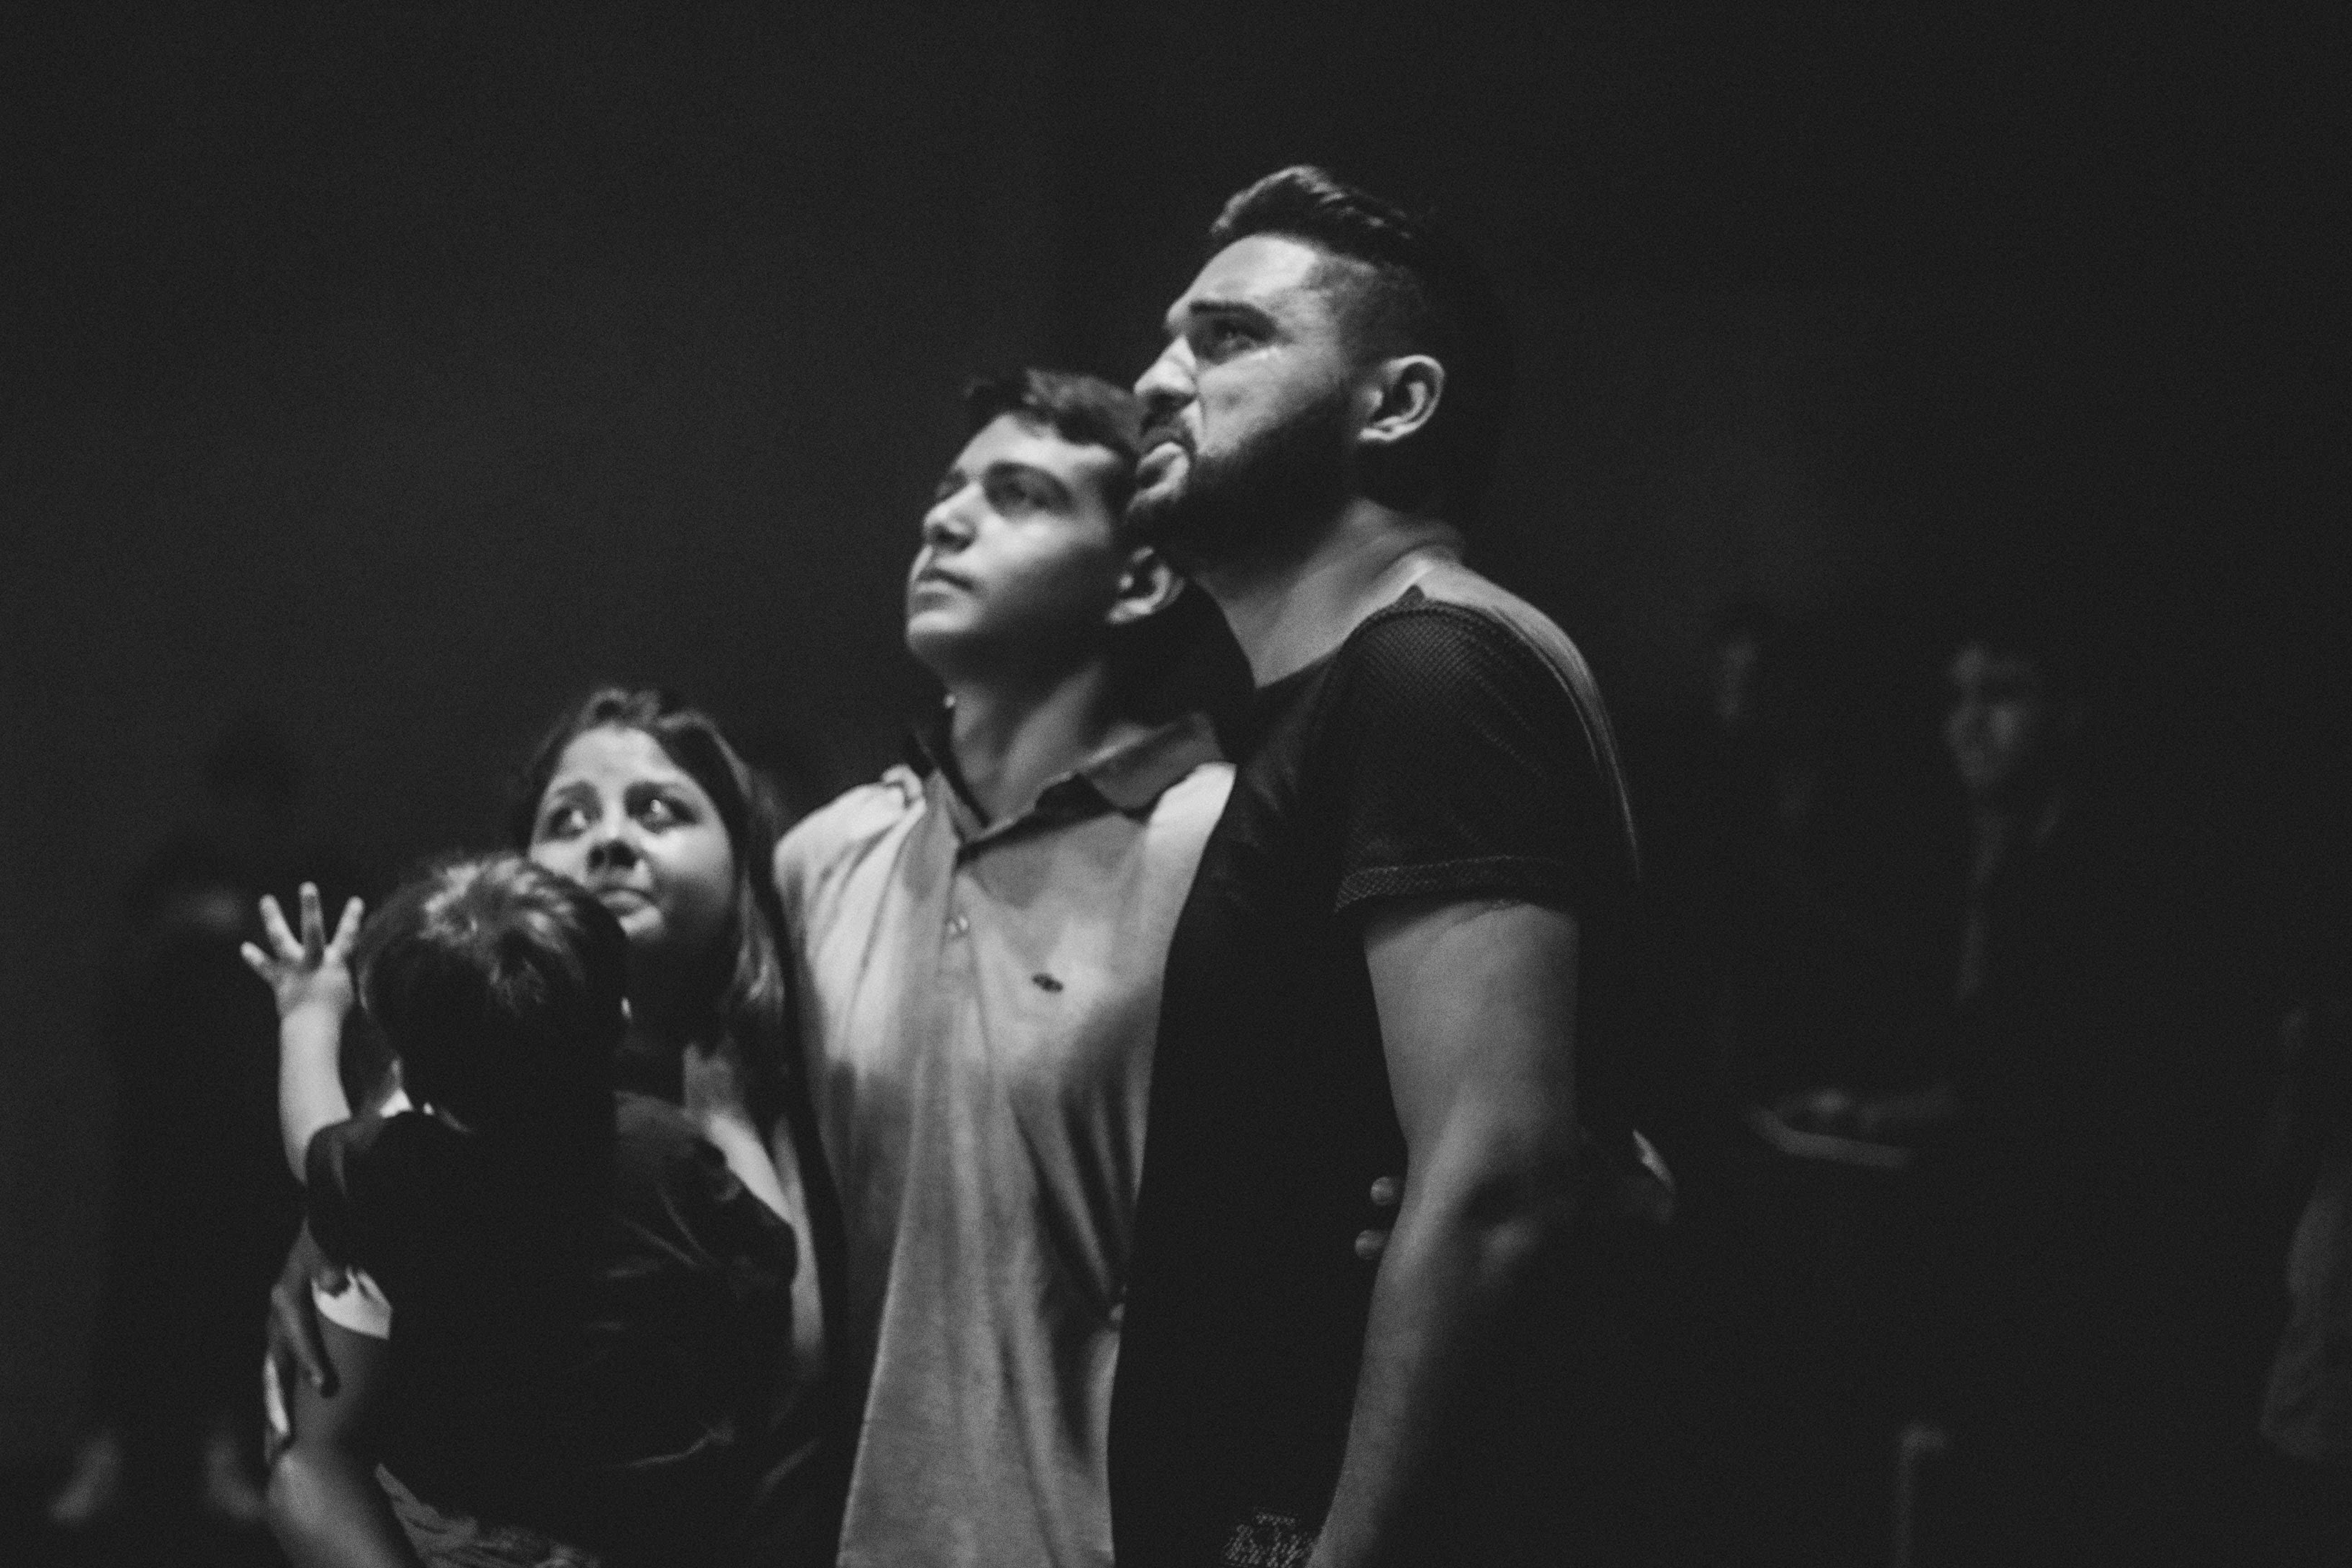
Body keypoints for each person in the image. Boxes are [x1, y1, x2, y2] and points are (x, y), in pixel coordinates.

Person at [1107, 167, 1662, 1568]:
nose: (1159, 379)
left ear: (1396, 403)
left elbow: (1497, 1182)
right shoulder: (1343, 695)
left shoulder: (1431, 669)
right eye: (1170, 336)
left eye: (1230, 338)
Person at [772, 367, 1237, 1567]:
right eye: (948, 490)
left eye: (1019, 495)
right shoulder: (828, 858)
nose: (946, 519)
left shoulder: (1220, 845)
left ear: (1138, 578)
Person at [265, 690, 841, 1554]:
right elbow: (312, 1456)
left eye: (660, 809)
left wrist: (308, 1019)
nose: (610, 840)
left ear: (742, 852)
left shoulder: (823, 1064)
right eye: (568, 816)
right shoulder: (429, 1113)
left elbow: (799, 1371)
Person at [50, 715, 366, 1533]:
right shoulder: (174, 882)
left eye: (262, 800)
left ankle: (237, 1453)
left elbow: (358, 1003)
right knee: (138, 1295)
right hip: (165, 1130)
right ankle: (108, 1455)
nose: (247, 816)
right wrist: (177, 930)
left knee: (247, 1294)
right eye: (235, 799)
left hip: (262, 1131)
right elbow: (114, 1004)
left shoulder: (314, 883)